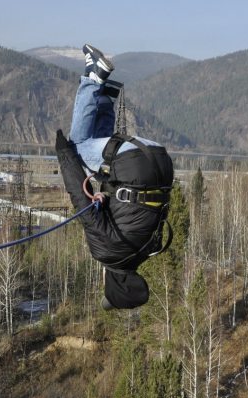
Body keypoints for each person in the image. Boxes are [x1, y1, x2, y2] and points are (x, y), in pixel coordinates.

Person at [55, 44, 174, 311]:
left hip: (159, 160)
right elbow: (81, 203)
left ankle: (106, 95)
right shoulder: (107, 253)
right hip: (134, 163)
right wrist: (65, 157)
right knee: (78, 148)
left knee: (97, 164)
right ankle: (92, 79)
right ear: (111, 283)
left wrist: (105, 197)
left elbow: (130, 209)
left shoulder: (146, 250)